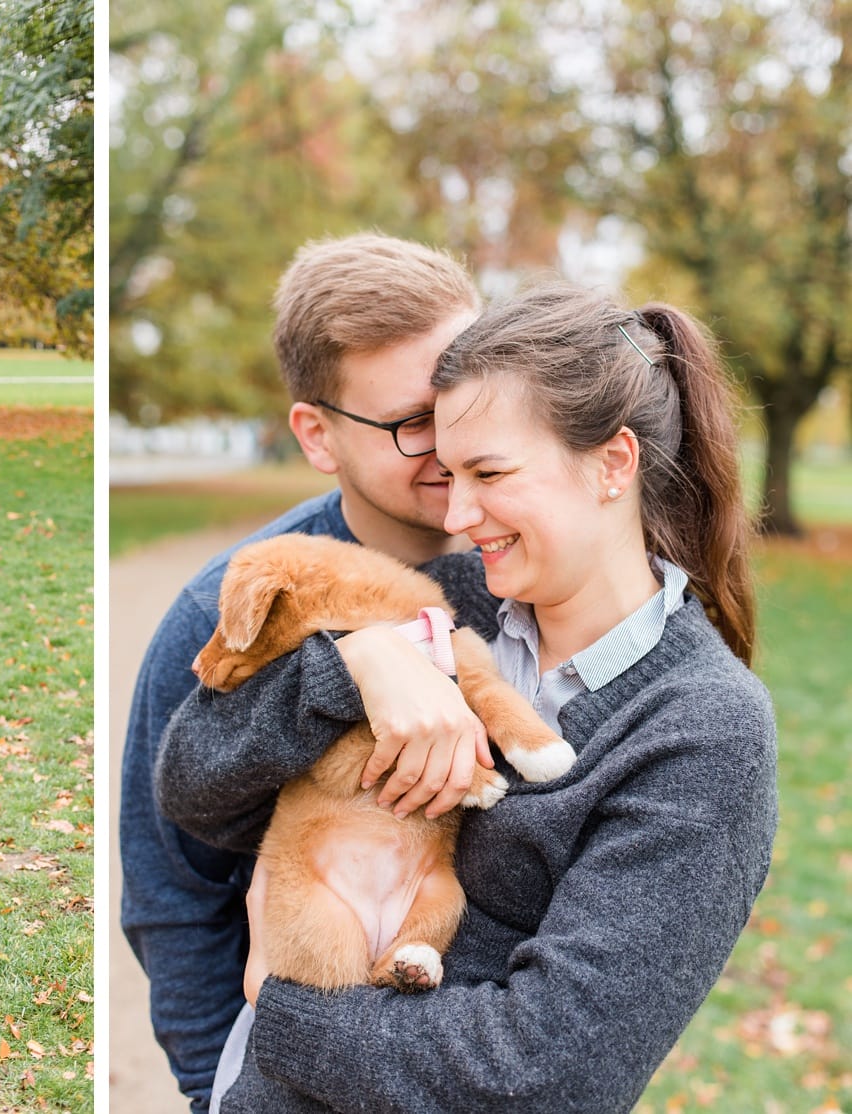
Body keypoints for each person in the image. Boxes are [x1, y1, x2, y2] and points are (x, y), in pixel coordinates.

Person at [157, 282, 777, 1113]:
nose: (458, 510)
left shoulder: (702, 727)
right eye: (448, 473)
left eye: (488, 472)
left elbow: (547, 1078)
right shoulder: (446, 598)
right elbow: (193, 792)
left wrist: (284, 1007)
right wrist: (355, 663)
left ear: (613, 464)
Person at [121, 233, 502, 1112]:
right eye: (414, 421)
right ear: (317, 434)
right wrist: (218, 1090)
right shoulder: (234, 610)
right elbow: (171, 890)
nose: (452, 442)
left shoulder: (530, 575)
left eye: (465, 399)